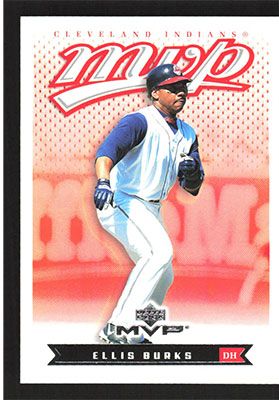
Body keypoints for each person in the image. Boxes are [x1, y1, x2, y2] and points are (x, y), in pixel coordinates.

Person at [93, 64, 205, 344]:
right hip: (122, 199)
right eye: (173, 87)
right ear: (155, 93)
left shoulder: (188, 134)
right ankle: (118, 327)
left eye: (183, 86)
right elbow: (106, 153)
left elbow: (193, 187)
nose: (181, 92)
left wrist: (192, 174)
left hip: (151, 208)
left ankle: (138, 331)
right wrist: (103, 181)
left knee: (163, 275)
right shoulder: (138, 121)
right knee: (159, 253)